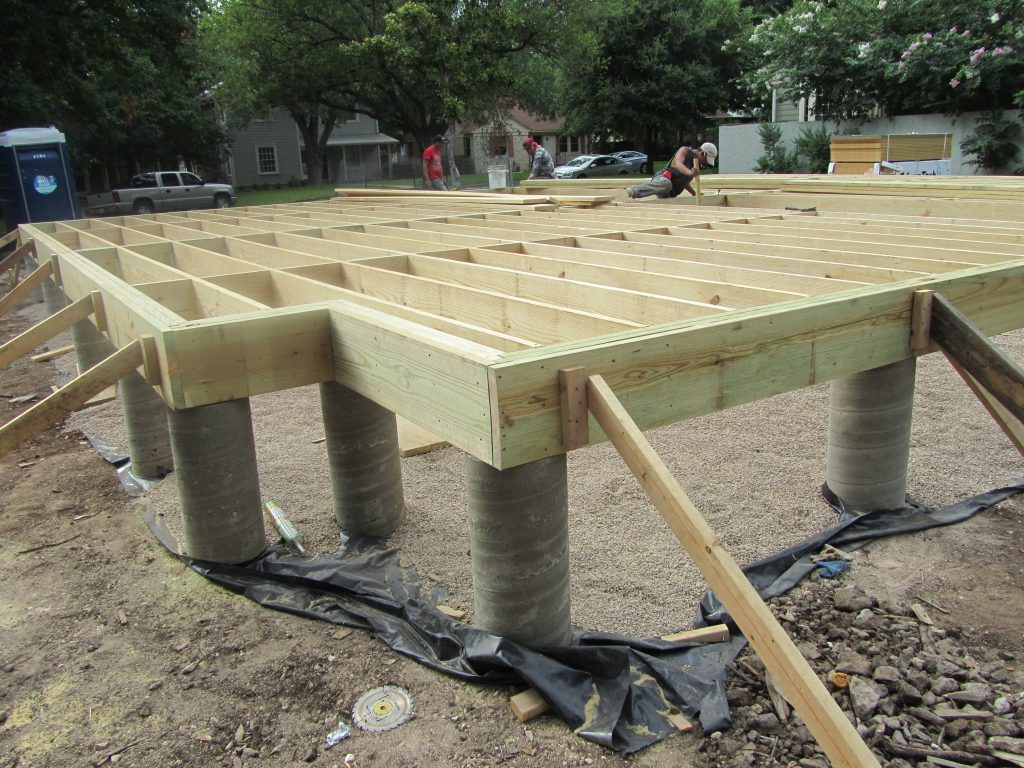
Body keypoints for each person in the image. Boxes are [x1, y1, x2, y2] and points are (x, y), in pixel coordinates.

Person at [626, 142, 718, 199]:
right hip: (662, 179)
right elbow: (678, 164)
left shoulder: (695, 165)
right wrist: (690, 172)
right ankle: (635, 191)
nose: (705, 164)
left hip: (670, 193)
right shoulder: (684, 151)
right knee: (667, 184)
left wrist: (695, 193)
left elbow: (684, 181)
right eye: (706, 161)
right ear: (702, 153)